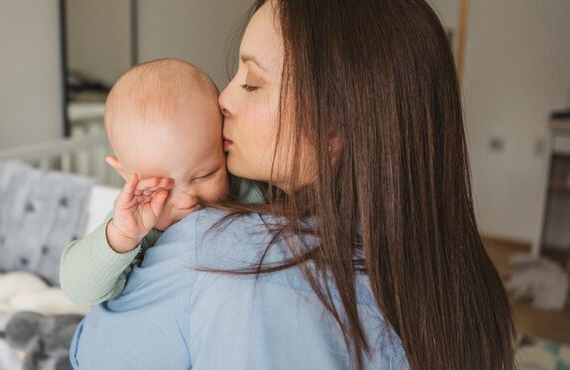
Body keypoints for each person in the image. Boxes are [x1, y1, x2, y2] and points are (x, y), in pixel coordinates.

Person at [70, 1, 516, 369]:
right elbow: (81, 278)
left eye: (252, 83)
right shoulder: (458, 278)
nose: (222, 100)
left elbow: (92, 355)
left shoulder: (221, 251)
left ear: (335, 125)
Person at [59, 58, 264, 305]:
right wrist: (121, 236)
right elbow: (78, 291)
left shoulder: (250, 191)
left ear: (224, 145)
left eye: (205, 175)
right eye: (161, 187)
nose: (188, 199)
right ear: (125, 173)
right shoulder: (138, 225)